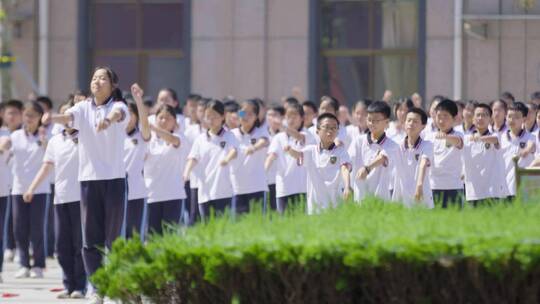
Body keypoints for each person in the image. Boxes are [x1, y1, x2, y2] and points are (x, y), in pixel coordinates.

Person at [50, 66, 129, 304]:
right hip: (88, 181)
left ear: (112, 85)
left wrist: (107, 121)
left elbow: (118, 114)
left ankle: (114, 287)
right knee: (90, 240)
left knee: (112, 238)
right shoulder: (82, 108)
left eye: (102, 78)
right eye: (94, 77)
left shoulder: (118, 106)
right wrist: (53, 118)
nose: (97, 81)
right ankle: (96, 287)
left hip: (114, 180)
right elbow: (69, 117)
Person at [23, 101, 86, 299]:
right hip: (61, 197)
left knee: (79, 244)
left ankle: (80, 286)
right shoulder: (55, 141)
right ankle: (67, 284)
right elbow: (46, 166)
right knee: (61, 245)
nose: (67, 119)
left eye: (70, 115)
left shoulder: (86, 138)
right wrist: (31, 188)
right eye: (63, 115)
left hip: (81, 198)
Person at [6, 101, 50, 278]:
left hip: (40, 189)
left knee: (37, 228)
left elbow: (51, 157)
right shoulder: (15, 136)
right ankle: (23, 263)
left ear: (40, 117)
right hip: (19, 187)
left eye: (33, 115)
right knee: (19, 227)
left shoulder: (45, 135)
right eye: (27, 115)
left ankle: (38, 264)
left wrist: (43, 141)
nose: (29, 119)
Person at [285, 113, 352, 214]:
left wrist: (347, 186)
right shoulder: (311, 151)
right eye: (326, 127)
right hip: (315, 207)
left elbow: (345, 168)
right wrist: (290, 150)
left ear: (338, 131)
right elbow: (298, 154)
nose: (330, 131)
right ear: (317, 130)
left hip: (335, 205)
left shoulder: (341, 151)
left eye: (334, 128)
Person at [183, 99, 238, 221]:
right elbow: (193, 158)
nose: (211, 120)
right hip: (205, 191)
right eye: (208, 117)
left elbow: (234, 151)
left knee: (223, 226)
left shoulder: (229, 136)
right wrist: (186, 173)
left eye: (214, 116)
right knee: (207, 226)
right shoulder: (201, 139)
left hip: (223, 191)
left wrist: (226, 159)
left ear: (223, 116)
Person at [143, 103, 188, 236]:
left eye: (168, 118)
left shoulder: (180, 138)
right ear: (155, 119)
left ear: (174, 122)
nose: (163, 121)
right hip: (152, 195)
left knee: (171, 235)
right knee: (152, 237)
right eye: (160, 117)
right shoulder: (148, 140)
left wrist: (154, 129)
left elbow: (173, 140)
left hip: (173, 195)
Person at [265, 103, 314, 213]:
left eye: (294, 116)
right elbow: (272, 155)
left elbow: (299, 137)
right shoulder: (278, 137)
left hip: (303, 188)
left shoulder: (308, 134)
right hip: (284, 188)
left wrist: (283, 127)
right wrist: (264, 172)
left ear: (302, 118)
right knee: (285, 223)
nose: (290, 119)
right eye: (288, 116)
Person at [349, 101, 398, 202]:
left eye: (376, 120)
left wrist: (367, 169)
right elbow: (347, 162)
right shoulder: (358, 141)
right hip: (360, 198)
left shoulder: (392, 145)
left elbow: (382, 157)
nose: (372, 123)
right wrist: (347, 186)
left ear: (387, 122)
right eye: (369, 120)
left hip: (382, 199)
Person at [462, 103, 507, 206]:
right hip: (473, 191)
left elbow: (494, 140)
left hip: (492, 190)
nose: (480, 118)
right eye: (478, 115)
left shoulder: (496, 135)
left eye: (484, 115)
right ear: (473, 119)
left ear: (490, 120)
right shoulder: (467, 139)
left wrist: (480, 138)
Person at [230, 99, 270, 214]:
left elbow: (264, 141)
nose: (245, 116)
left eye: (250, 114)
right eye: (242, 113)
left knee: (257, 224)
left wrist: (254, 148)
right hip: (236, 188)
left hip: (257, 187)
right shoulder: (232, 134)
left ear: (256, 117)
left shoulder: (261, 132)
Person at [391, 108, 434, 208]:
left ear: (423, 126)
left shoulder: (427, 145)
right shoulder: (397, 145)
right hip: (401, 199)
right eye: (408, 120)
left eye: (415, 121)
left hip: (422, 197)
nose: (411, 123)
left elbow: (423, 164)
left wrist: (419, 185)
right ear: (404, 123)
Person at [123, 84, 151, 239]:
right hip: (115, 194)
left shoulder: (140, 137)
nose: (127, 118)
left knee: (134, 237)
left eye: (130, 114)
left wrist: (138, 101)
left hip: (136, 193)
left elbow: (146, 126)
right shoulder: (113, 136)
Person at [426, 99, 464, 208]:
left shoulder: (459, 134)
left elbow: (458, 142)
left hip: (453, 186)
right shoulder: (429, 137)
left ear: (454, 118)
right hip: (433, 186)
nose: (441, 120)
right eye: (439, 116)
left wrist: (446, 137)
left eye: (445, 116)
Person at [500, 102, 536, 199]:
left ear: (524, 119)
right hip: (505, 188)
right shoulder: (501, 138)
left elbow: (531, 145)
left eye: (516, 117)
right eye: (509, 116)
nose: (512, 120)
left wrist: (526, 150)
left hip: (525, 189)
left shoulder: (531, 137)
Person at [265, 104, 285, 211]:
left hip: (281, 178)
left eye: (275, 115)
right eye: (269, 115)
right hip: (267, 179)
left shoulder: (286, 134)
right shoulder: (262, 134)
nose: (272, 118)